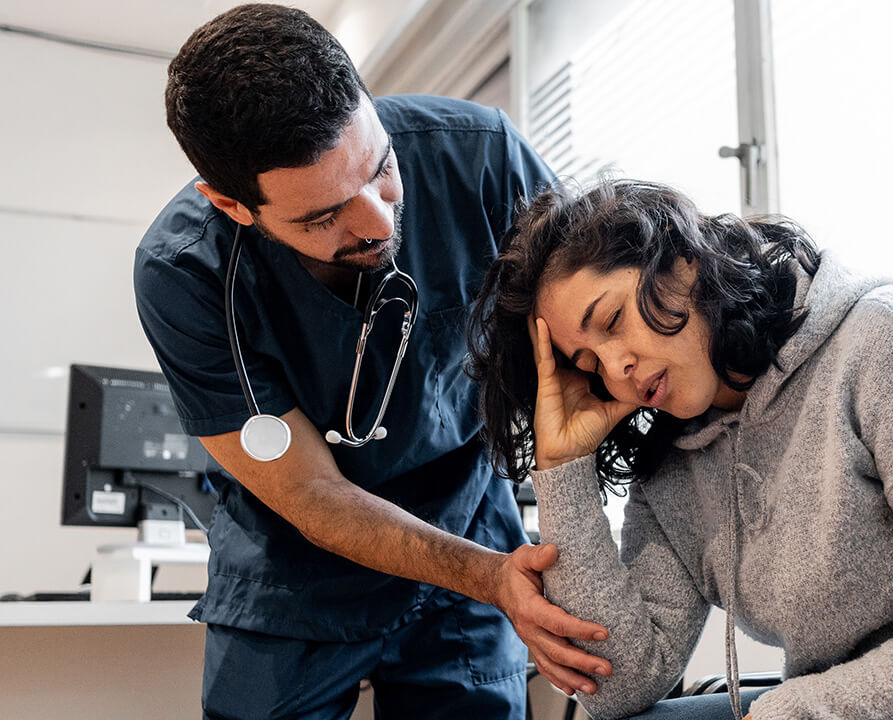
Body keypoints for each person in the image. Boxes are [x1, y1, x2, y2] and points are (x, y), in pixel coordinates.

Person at [467, 179, 893, 720]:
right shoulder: (676, 466)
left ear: (682, 260)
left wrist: (796, 711)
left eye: (611, 321)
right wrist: (563, 468)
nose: (616, 369)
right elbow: (618, 686)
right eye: (587, 364)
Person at [133, 4, 614, 718]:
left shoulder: (478, 156)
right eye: (322, 217)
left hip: (466, 522)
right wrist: (490, 577)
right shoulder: (185, 273)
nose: (378, 221)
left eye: (381, 169)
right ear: (233, 206)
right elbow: (311, 495)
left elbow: (599, 345)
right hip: (293, 570)